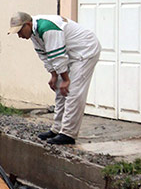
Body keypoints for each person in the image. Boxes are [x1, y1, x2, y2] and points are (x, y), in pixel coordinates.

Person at [8, 11, 101, 145]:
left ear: (28, 24)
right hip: (69, 53)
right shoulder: (33, 34)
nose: (19, 36)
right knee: (59, 89)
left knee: (73, 91)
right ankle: (57, 129)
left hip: (85, 50)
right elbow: (45, 56)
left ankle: (68, 133)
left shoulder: (47, 28)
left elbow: (57, 55)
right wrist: (54, 75)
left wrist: (66, 79)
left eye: (20, 31)